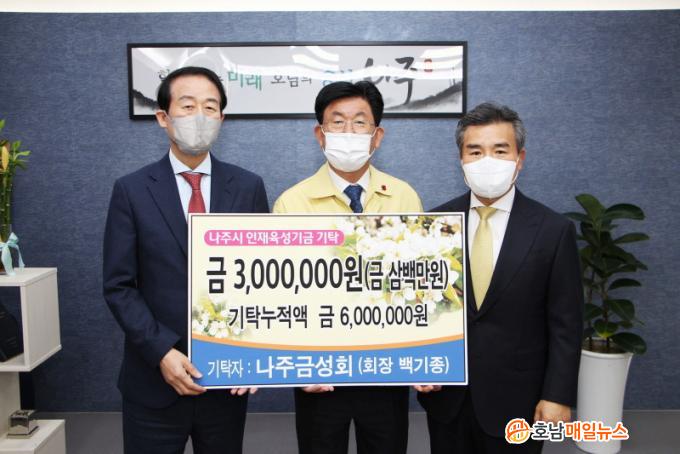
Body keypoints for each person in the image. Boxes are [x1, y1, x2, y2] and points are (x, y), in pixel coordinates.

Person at [103, 66, 268, 454]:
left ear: (221, 118)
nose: (200, 116)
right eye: (188, 105)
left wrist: (254, 352)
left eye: (210, 107)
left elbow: (262, 281)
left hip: (227, 380)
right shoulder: (131, 190)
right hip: (153, 380)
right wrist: (161, 351)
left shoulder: (248, 187)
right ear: (163, 117)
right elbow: (118, 286)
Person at [417, 102, 583, 453]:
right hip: (447, 398)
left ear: (520, 158)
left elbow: (566, 325)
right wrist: (419, 364)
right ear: (461, 159)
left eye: (500, 150)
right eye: (475, 151)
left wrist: (557, 396)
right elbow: (423, 307)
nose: (486, 160)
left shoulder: (553, 231)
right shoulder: (433, 224)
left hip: (519, 402)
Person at [273, 81, 422, 454]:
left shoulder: (404, 196)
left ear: (377, 136)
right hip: (319, 372)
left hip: (387, 368)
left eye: (359, 122)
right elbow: (280, 294)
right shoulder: (292, 202)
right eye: (337, 122)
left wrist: (423, 358)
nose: (348, 132)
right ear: (320, 134)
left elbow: (420, 284)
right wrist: (298, 364)